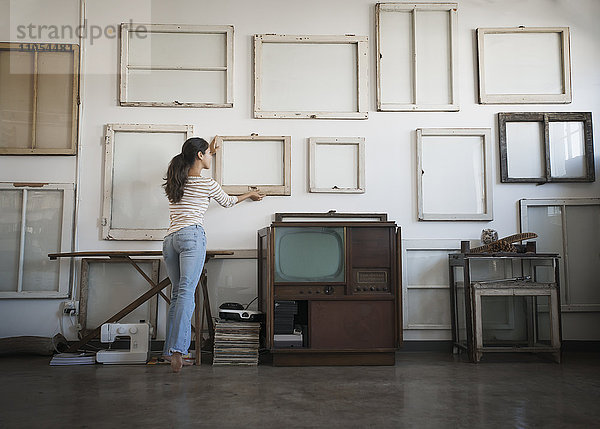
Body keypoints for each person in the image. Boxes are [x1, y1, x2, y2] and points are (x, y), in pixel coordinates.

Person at [162, 136, 263, 372]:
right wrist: (250, 194)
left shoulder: (175, 181)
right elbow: (227, 202)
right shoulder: (207, 184)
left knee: (178, 295)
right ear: (199, 156)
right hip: (191, 237)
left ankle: (170, 351)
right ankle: (178, 350)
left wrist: (211, 151)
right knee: (187, 294)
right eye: (207, 154)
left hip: (170, 240)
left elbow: (197, 165)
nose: (210, 156)